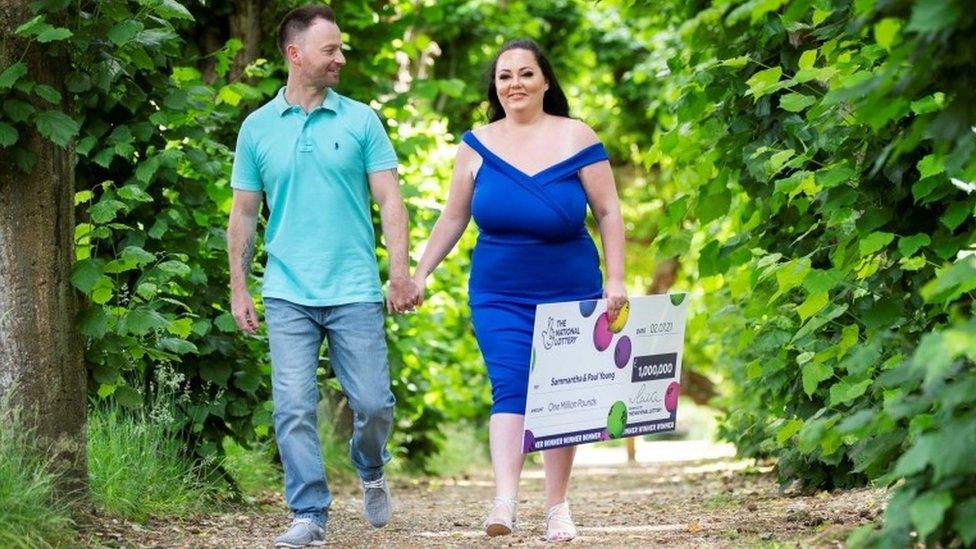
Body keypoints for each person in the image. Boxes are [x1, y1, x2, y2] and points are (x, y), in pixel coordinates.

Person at [410, 39, 627, 542]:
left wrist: (616, 279)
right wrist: (420, 273)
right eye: (505, 76)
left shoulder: (577, 136)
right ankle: (504, 500)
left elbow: (610, 212)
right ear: (495, 86)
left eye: (526, 74)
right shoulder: (476, 143)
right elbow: (454, 216)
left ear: (545, 81)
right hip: (499, 291)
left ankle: (557, 507)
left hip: (570, 288)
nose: (515, 84)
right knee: (509, 385)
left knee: (560, 397)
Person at [226, 5, 419, 547]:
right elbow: (243, 213)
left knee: (375, 405)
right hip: (287, 289)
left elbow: (390, 199)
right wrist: (240, 286)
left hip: (354, 287)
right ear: (295, 54)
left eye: (340, 48)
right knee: (292, 406)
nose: (340, 57)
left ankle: (370, 464)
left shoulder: (361, 120)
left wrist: (398, 273)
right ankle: (309, 513)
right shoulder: (257, 127)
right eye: (330, 49)